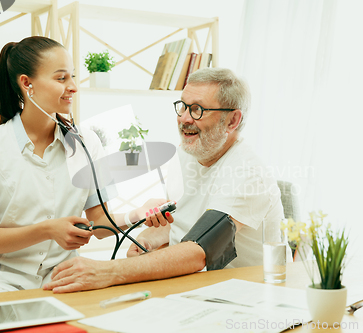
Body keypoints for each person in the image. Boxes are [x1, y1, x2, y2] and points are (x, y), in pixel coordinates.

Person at [0, 36, 172, 298]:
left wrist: (139, 213)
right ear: (26, 83)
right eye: (61, 78)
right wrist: (47, 230)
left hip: (62, 279)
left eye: (73, 77)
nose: (73, 87)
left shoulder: (86, 143)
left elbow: (100, 224)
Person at [43, 68, 284, 293]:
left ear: (232, 121)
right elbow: (188, 220)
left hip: (241, 294)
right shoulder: (188, 152)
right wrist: (153, 238)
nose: (184, 119)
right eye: (183, 106)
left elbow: (201, 249)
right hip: (193, 286)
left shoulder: (247, 173)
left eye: (198, 109)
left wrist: (107, 271)